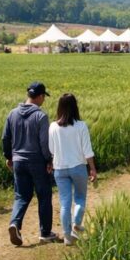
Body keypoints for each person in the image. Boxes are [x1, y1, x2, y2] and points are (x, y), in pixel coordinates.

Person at [2, 81, 58, 245]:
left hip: (18, 161)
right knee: (44, 195)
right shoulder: (41, 116)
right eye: (44, 97)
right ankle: (45, 233)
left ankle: (15, 223)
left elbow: (5, 138)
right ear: (40, 96)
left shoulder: (12, 114)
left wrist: (9, 157)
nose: (44, 101)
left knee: (21, 196)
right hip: (37, 161)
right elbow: (44, 142)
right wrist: (49, 159)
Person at [48, 93, 97, 245]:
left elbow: (51, 149)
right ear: (75, 107)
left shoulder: (53, 126)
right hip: (78, 167)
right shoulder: (81, 126)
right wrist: (93, 169)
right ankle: (76, 223)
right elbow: (87, 150)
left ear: (59, 107)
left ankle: (67, 237)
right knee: (80, 198)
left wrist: (51, 163)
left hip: (60, 169)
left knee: (64, 203)